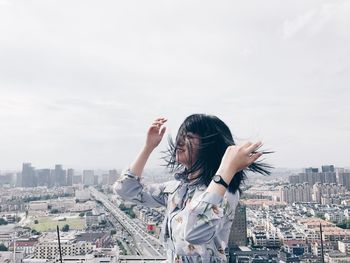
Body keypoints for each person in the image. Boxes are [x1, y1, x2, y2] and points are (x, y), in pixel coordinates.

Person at [114, 114, 271, 263]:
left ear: (210, 148)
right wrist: (148, 147)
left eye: (189, 137)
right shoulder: (177, 189)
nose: (180, 141)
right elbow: (125, 189)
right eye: (181, 136)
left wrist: (227, 169)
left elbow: (193, 233)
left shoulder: (224, 192)